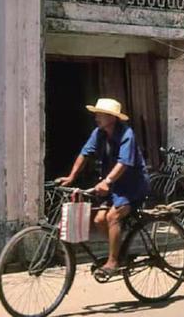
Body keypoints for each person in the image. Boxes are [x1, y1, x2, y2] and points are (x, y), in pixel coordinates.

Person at [56, 98, 150, 275]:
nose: (97, 117)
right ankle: (119, 250)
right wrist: (71, 176)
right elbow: (84, 153)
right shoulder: (99, 133)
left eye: (101, 114)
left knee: (112, 217)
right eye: (97, 114)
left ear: (112, 118)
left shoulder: (126, 134)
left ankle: (113, 262)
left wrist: (106, 181)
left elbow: (124, 163)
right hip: (113, 185)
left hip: (132, 185)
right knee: (99, 219)